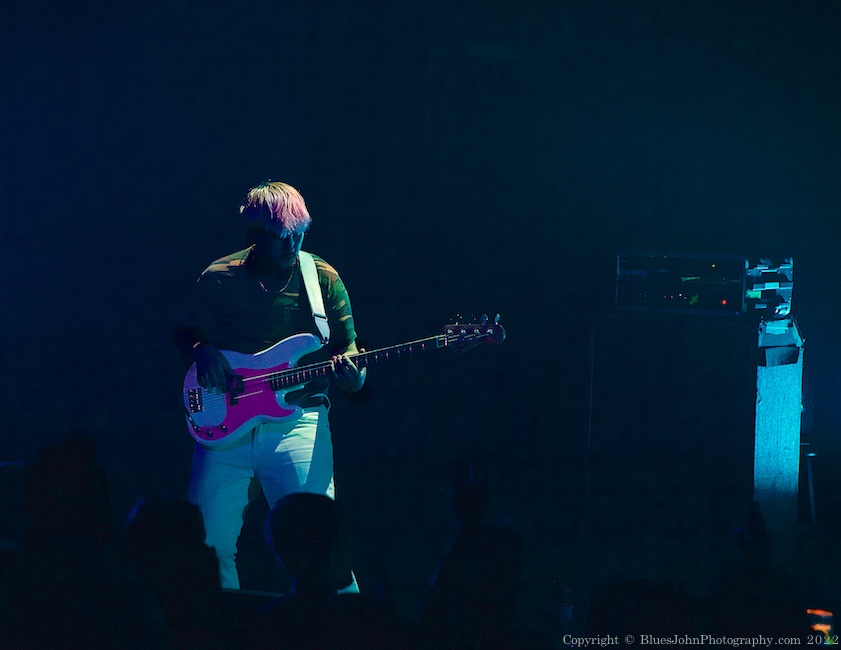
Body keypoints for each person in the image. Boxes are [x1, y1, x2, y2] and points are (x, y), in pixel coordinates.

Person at [173, 180, 368, 590]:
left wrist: (356, 379)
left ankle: (343, 621)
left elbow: (347, 349)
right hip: (223, 424)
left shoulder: (322, 278)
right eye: (282, 236)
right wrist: (201, 350)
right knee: (205, 550)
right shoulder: (220, 276)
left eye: (300, 234)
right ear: (257, 234)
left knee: (320, 547)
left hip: (298, 423)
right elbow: (184, 330)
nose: (292, 246)